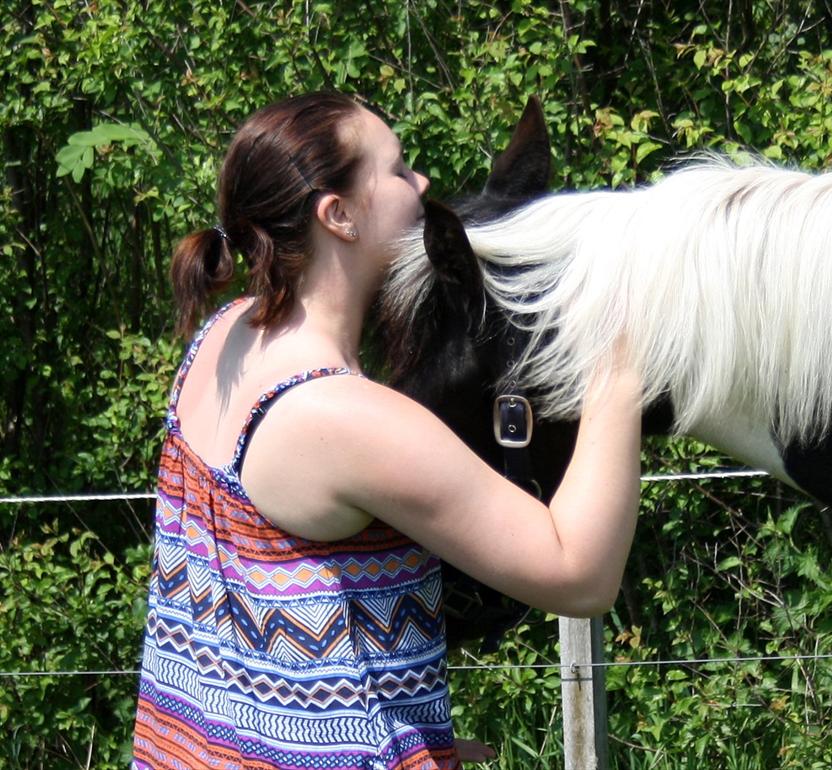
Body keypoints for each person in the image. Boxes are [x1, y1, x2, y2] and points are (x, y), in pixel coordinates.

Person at [132, 92, 643, 770]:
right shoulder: (350, 419)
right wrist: (621, 353)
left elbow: (245, 601)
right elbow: (580, 574)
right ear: (338, 216)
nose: (422, 184)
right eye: (399, 171)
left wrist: (365, 726)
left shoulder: (221, 338)